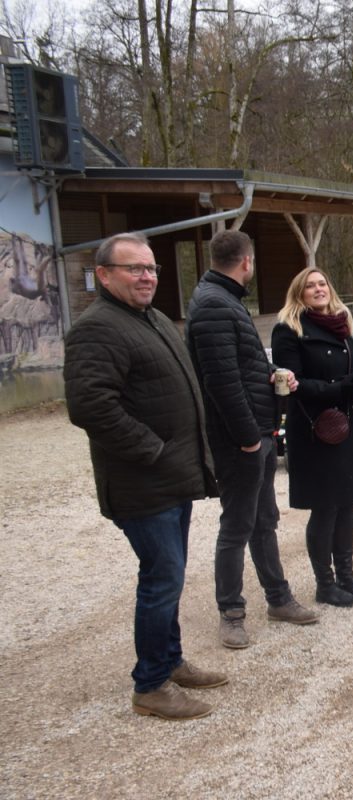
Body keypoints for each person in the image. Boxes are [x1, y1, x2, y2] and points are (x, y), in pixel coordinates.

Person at [64, 232, 226, 720]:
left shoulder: (151, 319)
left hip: (171, 477)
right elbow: (90, 406)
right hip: (143, 482)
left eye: (151, 268)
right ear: (104, 274)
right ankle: (151, 684)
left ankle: (170, 660)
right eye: (134, 268)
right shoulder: (97, 329)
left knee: (169, 577)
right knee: (161, 578)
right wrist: (153, 451)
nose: (147, 276)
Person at [186, 229, 318, 649]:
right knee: (237, 526)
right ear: (247, 262)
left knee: (264, 521)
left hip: (257, 433)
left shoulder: (225, 302)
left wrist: (270, 380)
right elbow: (220, 383)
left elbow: (237, 370)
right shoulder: (213, 306)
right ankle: (231, 611)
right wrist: (247, 438)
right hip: (240, 440)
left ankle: (278, 598)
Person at [272, 268, 353, 607]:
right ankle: (325, 583)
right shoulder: (288, 329)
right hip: (316, 429)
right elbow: (294, 384)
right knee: (325, 508)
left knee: (348, 503)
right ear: (299, 293)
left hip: (347, 423)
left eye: (322, 284)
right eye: (309, 286)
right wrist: (341, 387)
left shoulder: (343, 322)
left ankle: (346, 576)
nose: (318, 289)